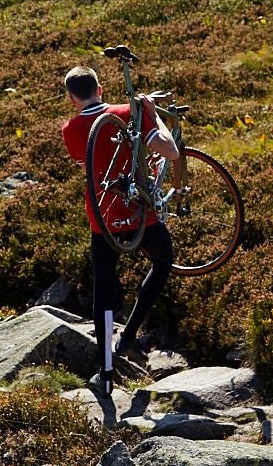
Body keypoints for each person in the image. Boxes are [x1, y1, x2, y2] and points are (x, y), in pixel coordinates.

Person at [61, 59, 181, 389]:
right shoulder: (130, 113)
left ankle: (107, 372)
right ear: (100, 89)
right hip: (141, 214)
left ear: (72, 97)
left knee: (104, 293)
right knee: (163, 262)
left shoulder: (70, 131)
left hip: (103, 223)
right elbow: (169, 151)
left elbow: (81, 156)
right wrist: (152, 114)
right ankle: (129, 334)